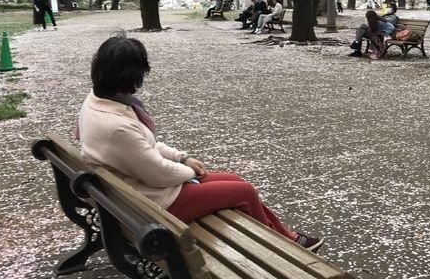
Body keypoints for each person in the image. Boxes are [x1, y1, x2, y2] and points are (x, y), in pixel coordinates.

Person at [77, 34, 323, 251]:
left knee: (236, 181)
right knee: (244, 192)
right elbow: (158, 174)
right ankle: (282, 247)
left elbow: (143, 147)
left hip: (136, 192)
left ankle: (286, 236)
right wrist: (189, 171)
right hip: (154, 203)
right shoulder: (117, 124)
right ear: (129, 75)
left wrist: (183, 158)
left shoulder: (99, 101)